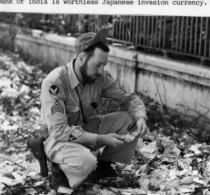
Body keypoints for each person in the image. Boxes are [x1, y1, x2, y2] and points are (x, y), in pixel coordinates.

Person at [39, 29, 148, 194]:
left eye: (103, 65)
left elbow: (128, 99)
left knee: (130, 118)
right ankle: (58, 169)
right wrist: (102, 138)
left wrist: (140, 117)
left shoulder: (101, 77)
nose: (101, 71)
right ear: (82, 58)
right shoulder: (55, 82)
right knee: (86, 161)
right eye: (97, 65)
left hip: (84, 129)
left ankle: (102, 168)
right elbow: (59, 131)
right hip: (57, 138)